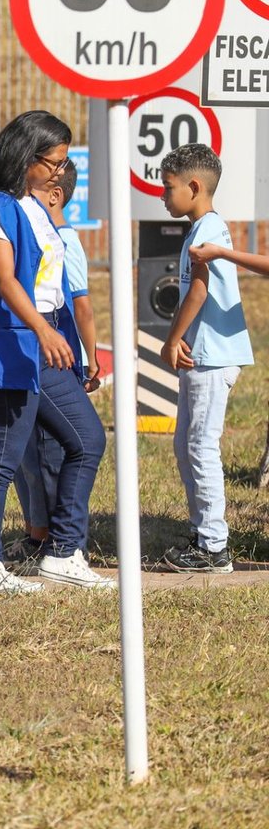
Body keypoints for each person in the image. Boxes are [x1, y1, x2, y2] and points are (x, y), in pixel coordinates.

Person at [0, 111, 113, 594]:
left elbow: (53, 277)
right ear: (27, 156)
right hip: (10, 349)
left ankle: (64, 552)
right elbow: (3, 279)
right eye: (54, 161)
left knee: (87, 441)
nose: (59, 172)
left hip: (41, 349)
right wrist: (43, 330)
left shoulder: (33, 204)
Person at [160, 144, 252, 574]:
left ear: (194, 187)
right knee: (186, 445)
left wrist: (172, 338)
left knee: (201, 445)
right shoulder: (202, 228)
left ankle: (215, 548)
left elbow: (199, 290)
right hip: (203, 353)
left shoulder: (208, 230)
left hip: (211, 354)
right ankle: (202, 533)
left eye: (169, 187)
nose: (163, 196)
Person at [8, 158, 99, 568]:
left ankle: (51, 538)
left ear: (55, 194)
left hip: (57, 350)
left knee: (49, 448)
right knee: (26, 449)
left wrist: (91, 356)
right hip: (31, 348)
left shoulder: (66, 241)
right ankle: (36, 530)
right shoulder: (28, 231)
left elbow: (81, 306)